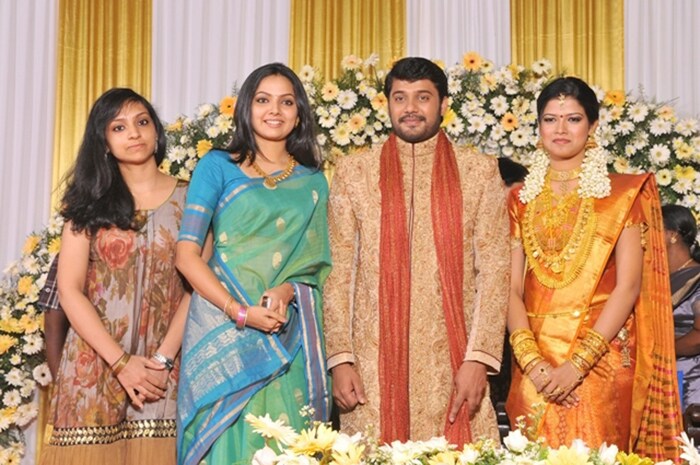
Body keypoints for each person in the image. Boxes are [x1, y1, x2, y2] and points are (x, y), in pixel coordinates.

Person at [323, 57, 509, 445]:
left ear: (443, 104)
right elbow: (337, 271)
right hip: (371, 368)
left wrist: (478, 359)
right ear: (387, 104)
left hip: (452, 364)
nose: (410, 108)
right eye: (400, 98)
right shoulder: (354, 172)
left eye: (422, 97)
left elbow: (494, 270)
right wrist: (340, 358)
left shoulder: (479, 172)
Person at [505, 77, 681, 460]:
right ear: (538, 127)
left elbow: (628, 287)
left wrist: (577, 365)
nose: (561, 129)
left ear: (594, 126)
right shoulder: (519, 199)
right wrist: (533, 363)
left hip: (598, 362)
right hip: (534, 363)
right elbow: (510, 289)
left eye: (573, 119)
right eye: (550, 119)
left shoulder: (621, 195)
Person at [175, 63, 331, 465]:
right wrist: (240, 312)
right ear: (246, 107)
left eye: (286, 101)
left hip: (285, 335)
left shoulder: (314, 181)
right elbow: (186, 255)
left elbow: (314, 263)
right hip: (222, 330)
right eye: (263, 100)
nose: (274, 110)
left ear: (299, 113)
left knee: (288, 445)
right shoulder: (217, 166)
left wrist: (283, 292)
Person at [40, 88, 190, 465]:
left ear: (157, 131)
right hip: (94, 363)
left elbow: (198, 286)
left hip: (166, 370)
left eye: (142, 122)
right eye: (118, 127)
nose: (134, 133)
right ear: (104, 142)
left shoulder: (192, 198)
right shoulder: (86, 206)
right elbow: (70, 291)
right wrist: (121, 363)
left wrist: (160, 362)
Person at [663, 204, 700, 410]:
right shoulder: (657, 279)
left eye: (651, 230)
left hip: (691, 383)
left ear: (672, 235)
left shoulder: (696, 278)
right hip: (662, 378)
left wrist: (662, 351)